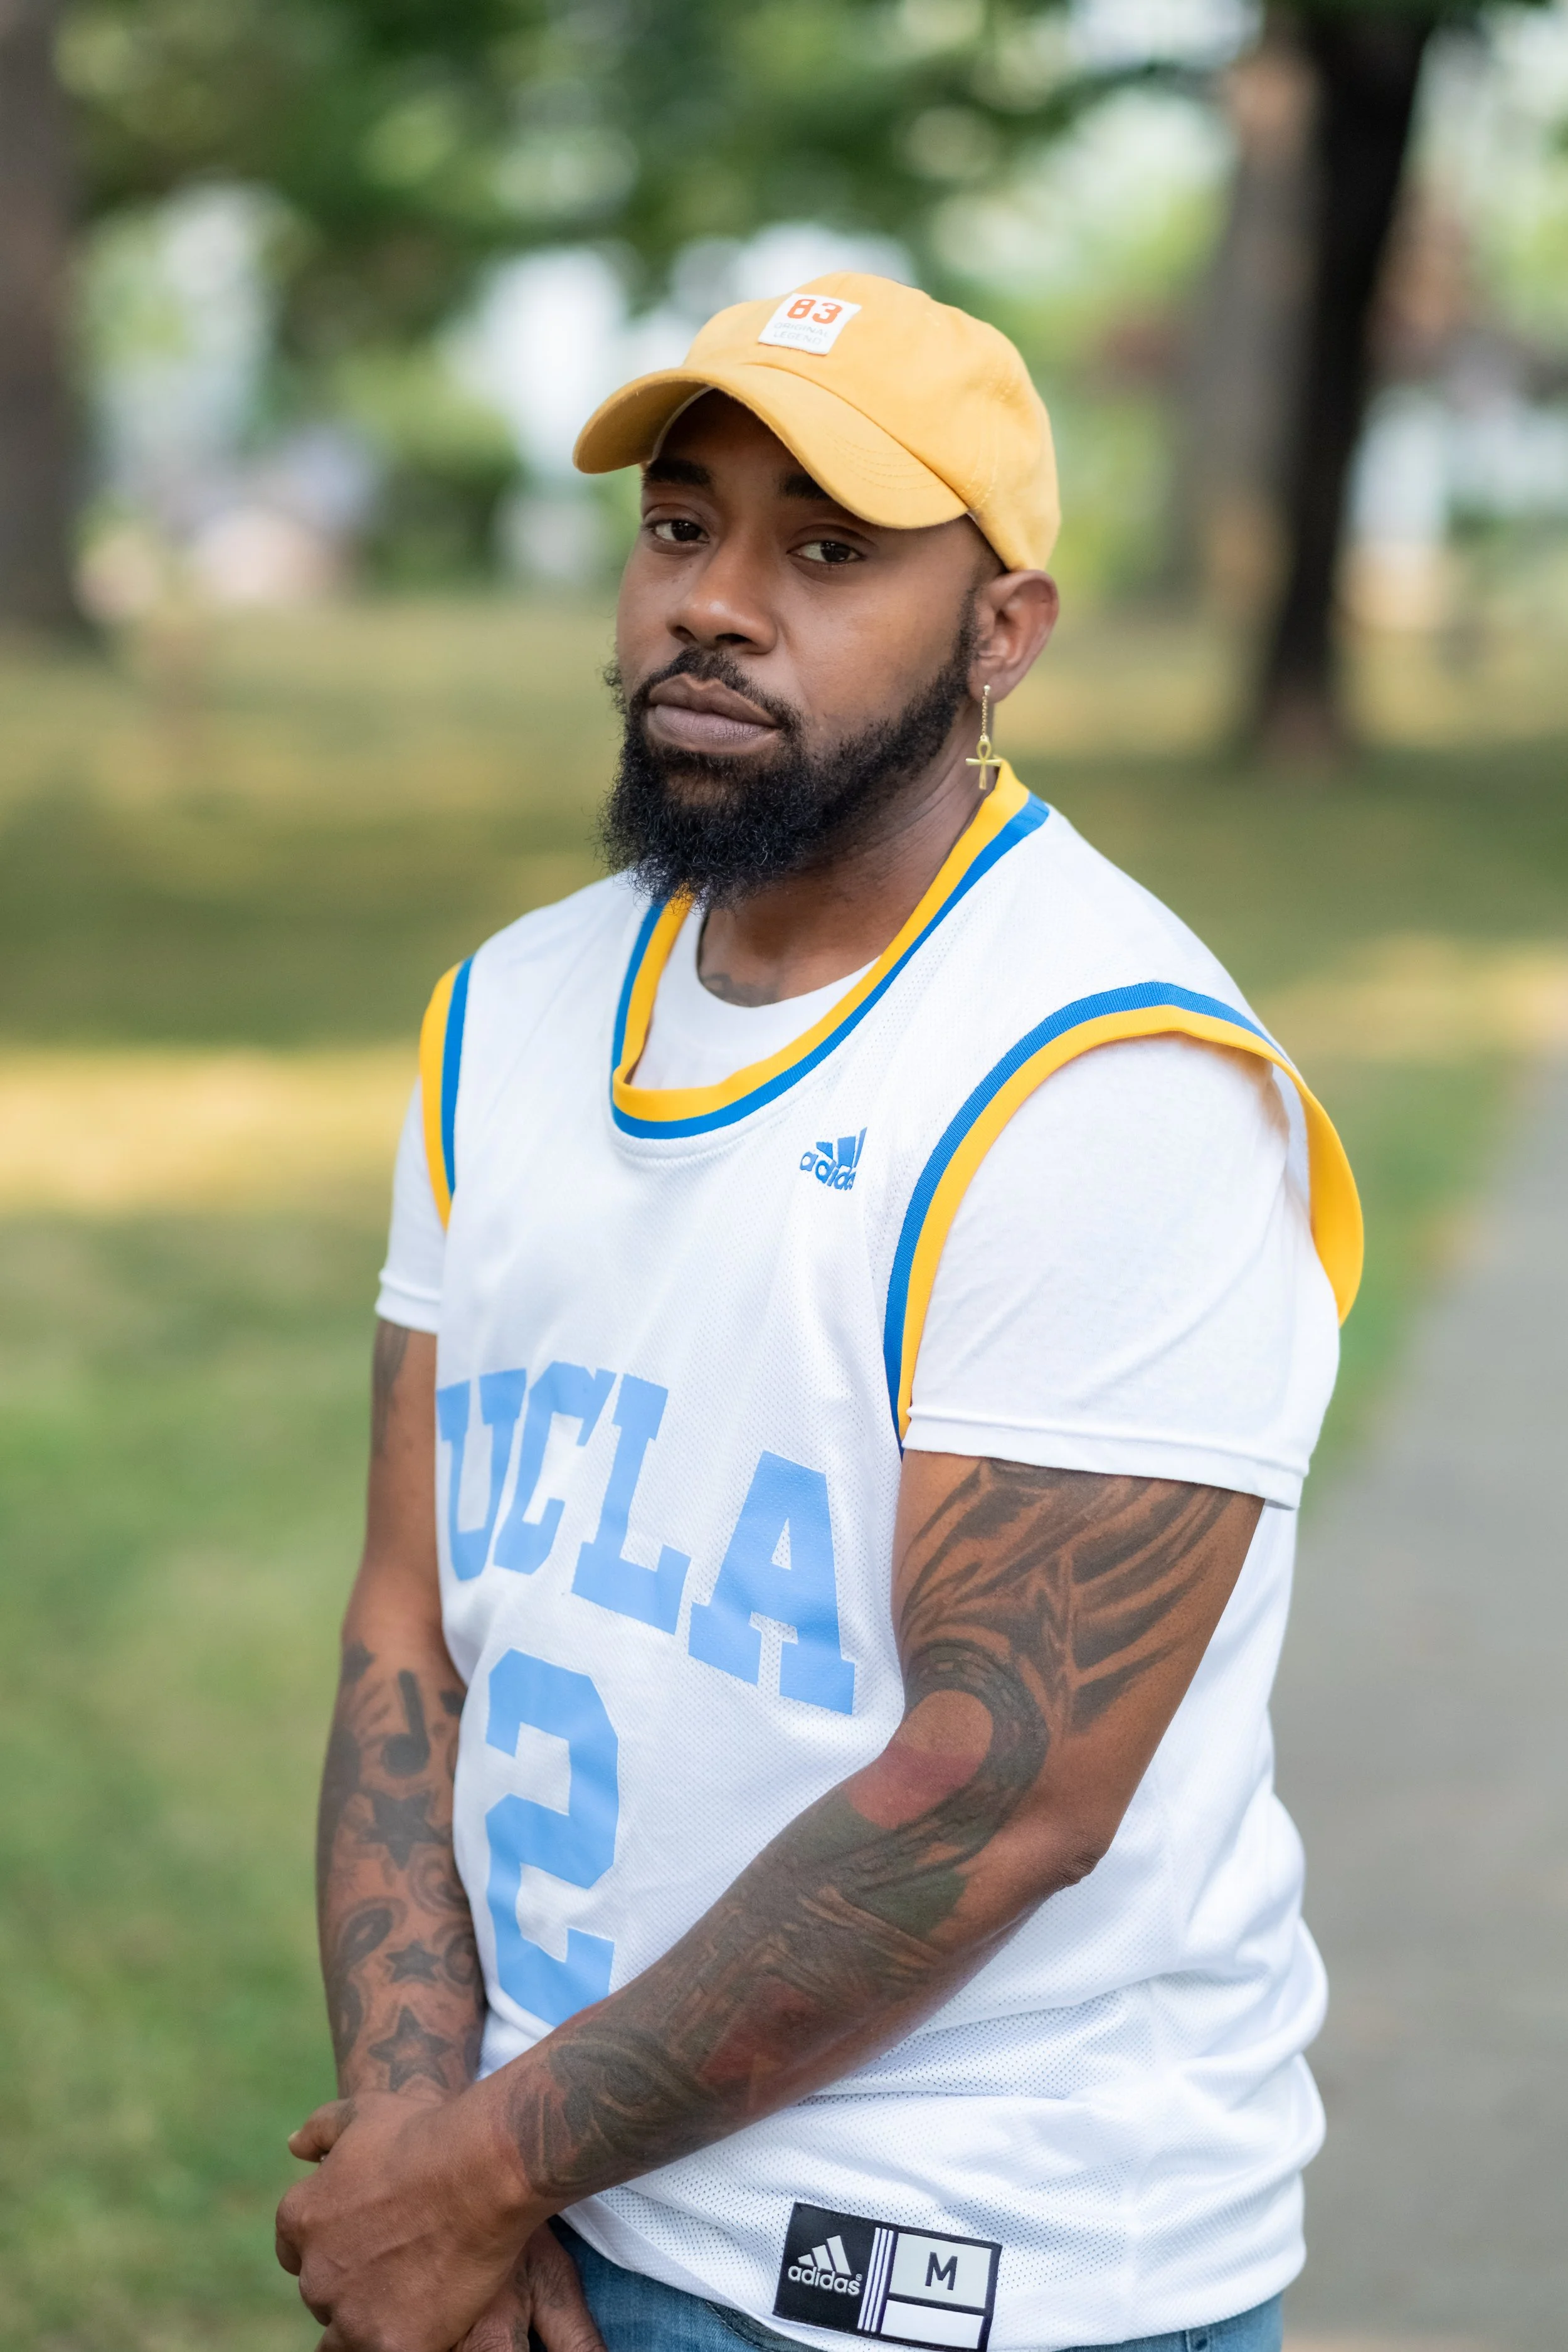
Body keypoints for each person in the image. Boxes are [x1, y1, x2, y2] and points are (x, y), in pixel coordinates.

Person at [275, 274, 1362, 2352]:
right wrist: (428, 2144)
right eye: (684, 525)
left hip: (946, 2268)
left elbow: (999, 1785)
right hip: (533, 2193)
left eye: (831, 549)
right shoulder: (506, 1008)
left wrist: (476, 2176)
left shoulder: (1106, 1076)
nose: (716, 599)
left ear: (1003, 634)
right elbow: (409, 1616)